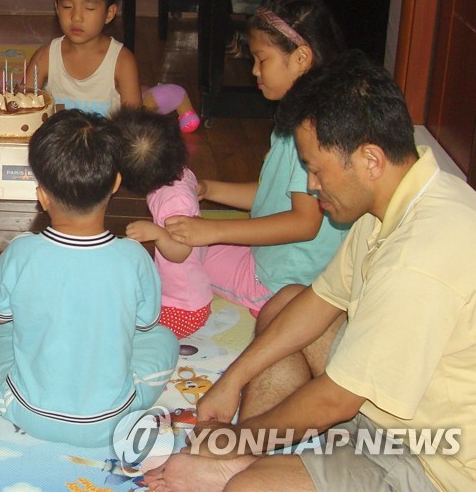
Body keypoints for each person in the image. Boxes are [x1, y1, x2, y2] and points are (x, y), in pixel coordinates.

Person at [145, 50, 476, 492]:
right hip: (392, 400)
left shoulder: (417, 260)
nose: (311, 186)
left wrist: (235, 439)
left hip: (433, 456)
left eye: (317, 171)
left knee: (247, 488)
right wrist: (232, 380)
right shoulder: (399, 198)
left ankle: (244, 464)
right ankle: (247, 455)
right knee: (286, 304)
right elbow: (321, 300)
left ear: (371, 160)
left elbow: (336, 400)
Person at [0, 109, 179, 447]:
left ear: (42, 195)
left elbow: (1, 314)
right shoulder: (134, 256)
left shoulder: (19, 252)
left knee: (3, 327)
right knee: (164, 338)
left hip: (24, 409)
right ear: (117, 183)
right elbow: (145, 324)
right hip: (110, 421)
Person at [160, 0, 349, 314]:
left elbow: (304, 222)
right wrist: (210, 188)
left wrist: (213, 230)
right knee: (191, 241)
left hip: (281, 283)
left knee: (173, 256)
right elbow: (273, 195)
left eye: (262, 59)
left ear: (302, 58)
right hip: (282, 264)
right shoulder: (308, 113)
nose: (254, 71)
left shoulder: (309, 132)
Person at [28, 0, 200, 131]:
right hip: (64, 145)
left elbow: (133, 124)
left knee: (144, 108)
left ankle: (170, 95)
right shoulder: (44, 58)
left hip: (109, 143)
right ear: (57, 7)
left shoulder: (122, 61)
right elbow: (23, 108)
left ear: (109, 13)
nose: (76, 17)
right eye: (67, 7)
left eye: (89, 8)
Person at [114, 107, 211, 338]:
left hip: (184, 306)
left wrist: (157, 233)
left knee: (127, 330)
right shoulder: (177, 172)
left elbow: (180, 251)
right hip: (180, 291)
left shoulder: (172, 202)